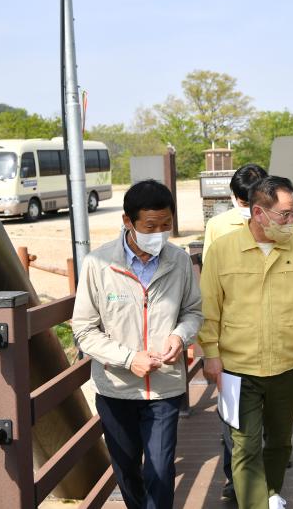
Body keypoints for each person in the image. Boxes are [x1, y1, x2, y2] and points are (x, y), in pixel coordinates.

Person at [198, 176, 293, 509]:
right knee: (244, 446)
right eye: (284, 215)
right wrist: (210, 355)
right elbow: (208, 308)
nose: (292, 221)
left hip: (285, 365)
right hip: (236, 367)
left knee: (280, 443)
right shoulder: (223, 250)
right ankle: (256, 503)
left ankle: (269, 492)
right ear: (258, 212)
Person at [72, 179, 203, 509]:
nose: (159, 233)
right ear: (128, 222)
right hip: (116, 388)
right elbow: (84, 330)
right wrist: (129, 358)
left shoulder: (179, 261)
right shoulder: (98, 264)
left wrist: (179, 336)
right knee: (127, 469)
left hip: (165, 387)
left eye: (166, 225)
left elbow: (192, 313)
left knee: (159, 470)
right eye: (150, 226)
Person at [200, 162, 267, 500]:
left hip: (271, 336)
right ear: (233, 198)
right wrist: (209, 346)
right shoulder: (217, 225)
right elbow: (209, 287)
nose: (247, 211)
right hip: (231, 337)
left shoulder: (284, 223)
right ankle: (234, 476)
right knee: (232, 412)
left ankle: (266, 466)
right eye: (242, 203)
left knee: (265, 411)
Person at [202, 163, 268, 261]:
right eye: (245, 204)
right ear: (234, 197)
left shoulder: (286, 223)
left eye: (258, 204)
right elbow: (209, 267)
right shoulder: (216, 225)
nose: (253, 210)